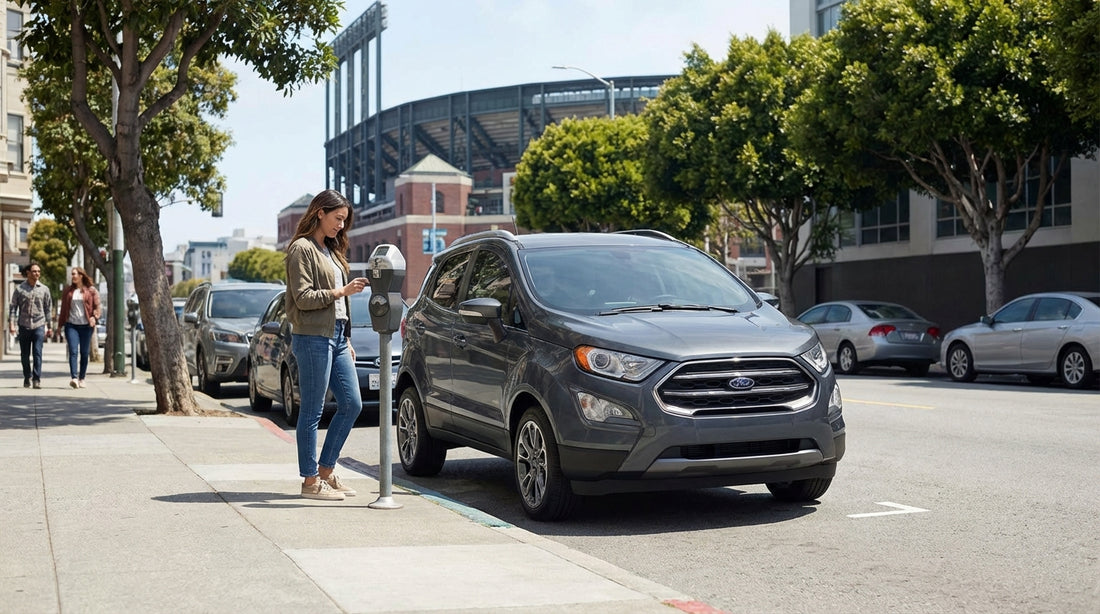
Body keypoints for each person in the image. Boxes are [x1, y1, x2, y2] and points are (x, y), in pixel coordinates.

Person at [284, 190, 370, 501]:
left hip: (337, 337)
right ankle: (310, 482)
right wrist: (341, 291)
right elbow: (303, 298)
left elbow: (341, 306)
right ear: (320, 212)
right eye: (337, 218)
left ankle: (325, 470)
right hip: (312, 337)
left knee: (352, 404)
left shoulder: (331, 251)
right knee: (312, 411)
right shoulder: (301, 249)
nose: (341, 226)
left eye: (344, 221)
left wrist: (346, 338)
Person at [8, 263, 53, 389]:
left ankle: (36, 379)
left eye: (38, 271)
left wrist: (49, 326)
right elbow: (13, 308)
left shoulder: (44, 289)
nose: (37, 273)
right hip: (24, 325)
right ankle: (27, 376)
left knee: (37, 352)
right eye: (34, 271)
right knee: (25, 354)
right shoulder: (20, 289)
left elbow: (48, 309)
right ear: (28, 273)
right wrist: (11, 324)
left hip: (39, 324)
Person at [58, 267, 102, 389]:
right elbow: (63, 309)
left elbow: (97, 306)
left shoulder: (91, 290)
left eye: (74, 274)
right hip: (71, 325)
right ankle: (74, 378)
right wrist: (60, 325)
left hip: (86, 326)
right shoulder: (68, 291)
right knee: (73, 351)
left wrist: (94, 317)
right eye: (72, 274)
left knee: (84, 353)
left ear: (81, 275)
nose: (72, 276)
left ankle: (82, 378)